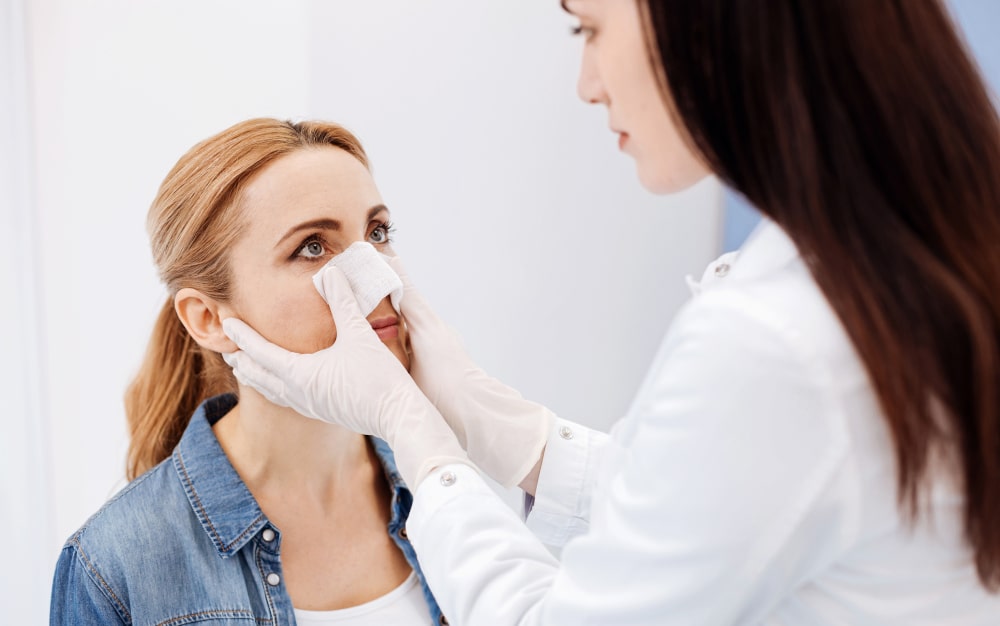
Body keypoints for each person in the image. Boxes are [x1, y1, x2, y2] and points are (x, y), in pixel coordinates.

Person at [223, 0, 1000, 624]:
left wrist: (424, 448)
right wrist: (507, 432)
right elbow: (716, 506)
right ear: (204, 318)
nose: (586, 83)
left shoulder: (777, 340)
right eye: (312, 249)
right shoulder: (892, 269)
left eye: (588, 27)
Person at [49, 118, 449, 625]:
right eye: (312, 246)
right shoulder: (114, 564)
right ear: (209, 319)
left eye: (377, 233)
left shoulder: (443, 488)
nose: (378, 277)